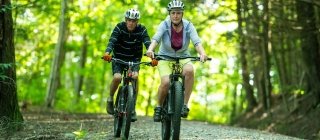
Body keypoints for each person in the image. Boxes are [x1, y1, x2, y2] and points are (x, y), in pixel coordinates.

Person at [146, 0, 208, 122]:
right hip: (165, 57)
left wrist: (202, 53)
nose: (175, 15)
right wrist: (150, 49)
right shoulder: (164, 24)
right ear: (169, 14)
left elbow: (196, 41)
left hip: (183, 57)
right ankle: (159, 107)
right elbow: (156, 38)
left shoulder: (189, 25)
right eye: (173, 13)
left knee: (190, 70)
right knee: (165, 82)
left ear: (182, 14)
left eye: (178, 13)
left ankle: (184, 105)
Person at [103, 8, 151, 122]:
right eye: (129, 20)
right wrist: (107, 53)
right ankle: (110, 99)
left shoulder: (142, 29)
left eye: (134, 21)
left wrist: (152, 55)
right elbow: (112, 40)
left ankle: (132, 107)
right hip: (118, 58)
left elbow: (148, 42)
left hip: (134, 59)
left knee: (135, 77)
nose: (131, 23)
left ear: (137, 22)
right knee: (117, 77)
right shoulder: (119, 27)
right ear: (126, 20)